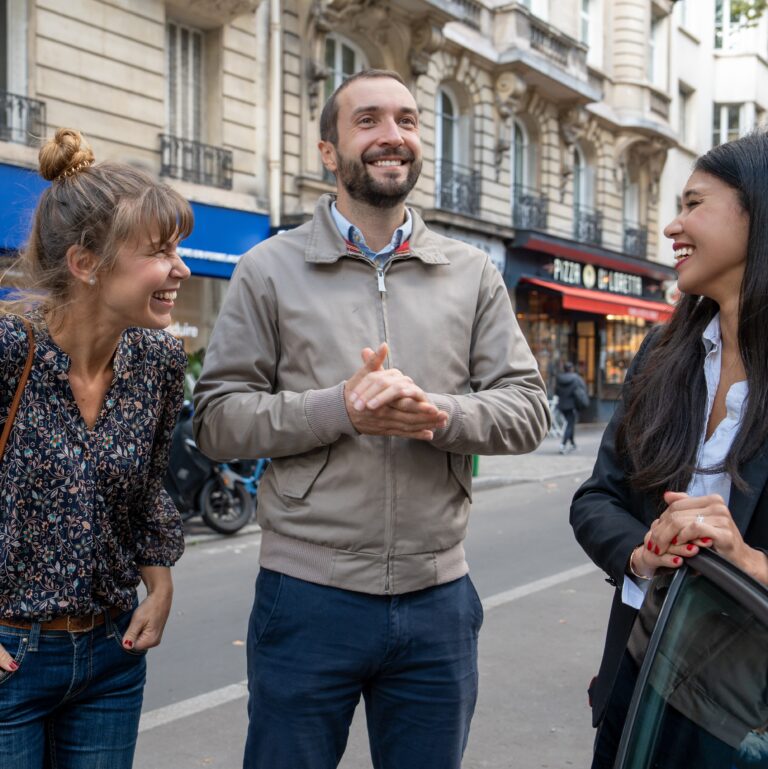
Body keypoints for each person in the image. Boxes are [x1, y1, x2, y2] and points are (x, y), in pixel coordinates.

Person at [193, 69, 549, 769]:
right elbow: (216, 419)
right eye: (370, 121)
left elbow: (527, 409)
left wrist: (438, 413)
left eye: (410, 121)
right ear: (329, 150)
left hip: (438, 598)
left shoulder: (472, 272)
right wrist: (340, 408)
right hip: (305, 597)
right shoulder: (267, 268)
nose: (394, 136)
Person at [570, 130, 768, 769]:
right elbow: (598, 496)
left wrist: (746, 561)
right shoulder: (663, 353)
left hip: (746, 711)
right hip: (641, 672)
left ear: (756, 213)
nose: (671, 226)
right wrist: (641, 552)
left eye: (693, 204)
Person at [0, 128, 192, 769]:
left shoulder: (158, 358)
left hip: (113, 656)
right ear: (86, 264)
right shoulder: (7, 350)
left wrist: (159, 586)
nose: (181, 269)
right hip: (8, 661)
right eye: (161, 251)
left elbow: (145, 492)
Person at [555, 361, 587, 453]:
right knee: (570, 424)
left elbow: (556, 391)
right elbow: (582, 390)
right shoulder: (576, 378)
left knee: (570, 423)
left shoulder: (559, 378)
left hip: (561, 405)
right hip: (572, 406)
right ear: (571, 368)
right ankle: (563, 444)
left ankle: (572, 443)